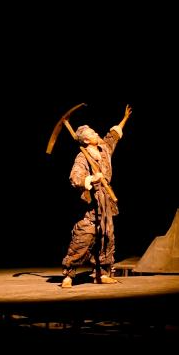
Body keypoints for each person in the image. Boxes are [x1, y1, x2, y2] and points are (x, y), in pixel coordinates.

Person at [61, 104, 132, 287]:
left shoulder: (104, 149)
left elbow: (113, 136)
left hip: (106, 201)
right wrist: (92, 178)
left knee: (107, 235)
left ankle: (102, 273)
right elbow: (75, 177)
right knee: (84, 235)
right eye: (92, 133)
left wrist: (124, 119)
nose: (96, 133)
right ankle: (69, 274)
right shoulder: (82, 157)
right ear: (85, 140)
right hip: (91, 202)